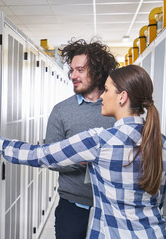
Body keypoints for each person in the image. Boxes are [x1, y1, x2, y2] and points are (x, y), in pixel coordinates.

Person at [0, 65, 166, 238]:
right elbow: (156, 200)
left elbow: (41, 155)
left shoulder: (100, 140)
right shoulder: (162, 143)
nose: (102, 95)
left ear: (122, 97)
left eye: (106, 90)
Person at [45, 38, 118, 239]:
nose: (72, 76)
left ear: (97, 71)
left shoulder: (118, 108)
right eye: (71, 70)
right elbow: (50, 158)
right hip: (72, 208)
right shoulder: (61, 111)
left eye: (80, 70)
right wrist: (83, 159)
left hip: (112, 207)